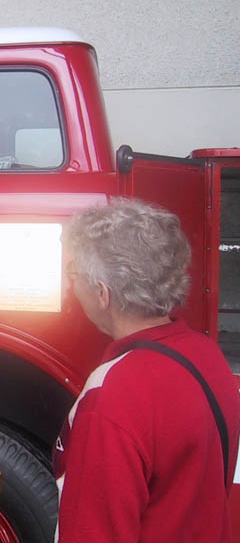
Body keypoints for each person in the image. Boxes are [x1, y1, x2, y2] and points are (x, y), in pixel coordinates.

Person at [56, 198, 240, 542]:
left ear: (102, 293)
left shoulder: (111, 395)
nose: (70, 286)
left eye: (73, 274)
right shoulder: (208, 356)